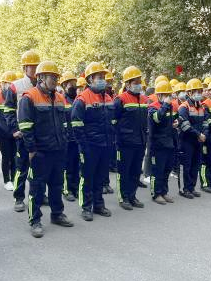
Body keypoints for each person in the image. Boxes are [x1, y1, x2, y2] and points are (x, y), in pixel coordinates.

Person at [18, 61, 74, 237]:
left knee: (57, 185)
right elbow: (25, 126)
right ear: (41, 77)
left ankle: (57, 214)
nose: (55, 81)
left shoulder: (59, 98)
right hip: (40, 152)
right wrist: (32, 150)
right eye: (52, 77)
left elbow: (65, 123)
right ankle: (35, 220)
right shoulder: (29, 97)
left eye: (56, 77)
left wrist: (64, 143)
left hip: (58, 150)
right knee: (37, 188)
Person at [71, 62, 114, 221]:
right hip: (89, 146)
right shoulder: (82, 99)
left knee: (100, 177)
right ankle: (86, 207)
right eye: (99, 77)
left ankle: (98, 205)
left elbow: (111, 122)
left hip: (105, 145)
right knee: (87, 177)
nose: (102, 80)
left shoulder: (108, 97)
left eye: (103, 77)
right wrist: (84, 146)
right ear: (90, 79)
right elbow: (76, 124)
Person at [5, 50, 40, 212]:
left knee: (39, 168)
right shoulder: (15, 86)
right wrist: (14, 129)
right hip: (23, 135)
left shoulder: (43, 86)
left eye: (37, 66)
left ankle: (40, 195)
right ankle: (18, 198)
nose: (35, 69)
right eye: (32, 66)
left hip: (40, 135)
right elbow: (8, 110)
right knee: (22, 168)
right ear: (25, 68)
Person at [113, 66, 148, 210]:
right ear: (127, 84)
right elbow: (113, 121)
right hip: (125, 143)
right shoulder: (120, 99)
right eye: (135, 82)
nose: (138, 84)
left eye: (139, 81)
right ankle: (123, 198)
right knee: (124, 172)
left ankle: (132, 196)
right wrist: (119, 139)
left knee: (135, 171)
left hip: (140, 141)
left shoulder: (144, 99)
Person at [147, 79, 177, 204]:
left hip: (169, 142)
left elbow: (168, 122)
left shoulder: (170, 107)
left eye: (169, 95)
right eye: (166, 95)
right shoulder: (153, 107)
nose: (169, 97)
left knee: (166, 170)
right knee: (157, 170)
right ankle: (156, 193)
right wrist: (165, 105)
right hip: (157, 144)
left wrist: (174, 123)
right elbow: (157, 119)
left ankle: (164, 192)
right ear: (159, 95)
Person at [178, 78, 207, 198]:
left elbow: (205, 122)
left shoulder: (201, 106)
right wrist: (199, 135)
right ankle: (185, 189)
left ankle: (192, 187)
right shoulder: (184, 107)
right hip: (187, 141)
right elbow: (185, 125)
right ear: (189, 93)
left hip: (199, 141)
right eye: (196, 91)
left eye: (200, 91)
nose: (198, 94)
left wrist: (204, 134)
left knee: (196, 165)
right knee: (187, 165)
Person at [60, 71, 80, 201]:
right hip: (66, 139)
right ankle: (67, 190)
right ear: (64, 85)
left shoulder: (78, 99)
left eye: (74, 83)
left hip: (77, 138)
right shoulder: (60, 99)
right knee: (67, 166)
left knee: (76, 165)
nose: (73, 86)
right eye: (70, 83)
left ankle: (75, 188)